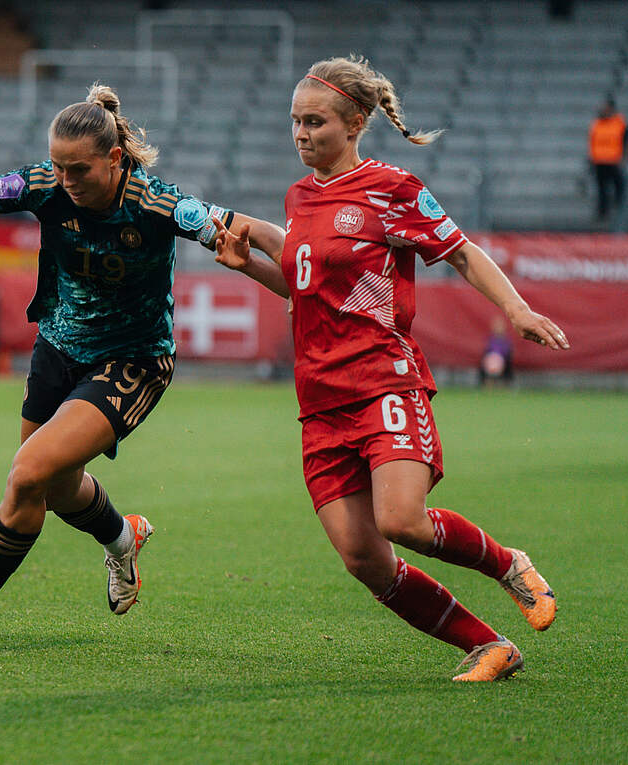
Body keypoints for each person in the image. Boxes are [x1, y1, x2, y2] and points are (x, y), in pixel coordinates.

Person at [0, 84, 285, 649]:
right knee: (52, 489)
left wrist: (299, 278)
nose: (66, 180)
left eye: (79, 169)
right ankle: (122, 538)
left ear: (115, 158)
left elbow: (261, 235)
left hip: (133, 361)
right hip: (56, 349)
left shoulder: (159, 204)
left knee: (27, 472)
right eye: (58, 166)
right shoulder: (41, 185)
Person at [211, 55, 570, 681]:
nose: (300, 134)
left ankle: (508, 563)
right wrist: (250, 265)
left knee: (400, 520)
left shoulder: (391, 188)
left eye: (315, 122)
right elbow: (306, 291)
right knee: (363, 558)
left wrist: (516, 309)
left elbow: (461, 251)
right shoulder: (298, 197)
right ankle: (489, 647)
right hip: (319, 399)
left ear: (354, 123)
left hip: (383, 380)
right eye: (295, 121)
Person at [588, 99, 628, 224]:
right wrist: (591, 158)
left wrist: (624, 157)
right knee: (602, 188)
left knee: (619, 184)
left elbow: (626, 140)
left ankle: (618, 205)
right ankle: (603, 212)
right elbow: (592, 141)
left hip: (613, 160)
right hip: (599, 160)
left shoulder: (619, 122)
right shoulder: (597, 123)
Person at [478, 316, 514, 386]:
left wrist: (500, 359)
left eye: (500, 327)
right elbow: (487, 351)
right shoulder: (491, 340)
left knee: (508, 364)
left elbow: (508, 352)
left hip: (503, 362)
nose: (498, 329)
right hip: (491, 362)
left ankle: (505, 383)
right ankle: (487, 382)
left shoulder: (506, 341)